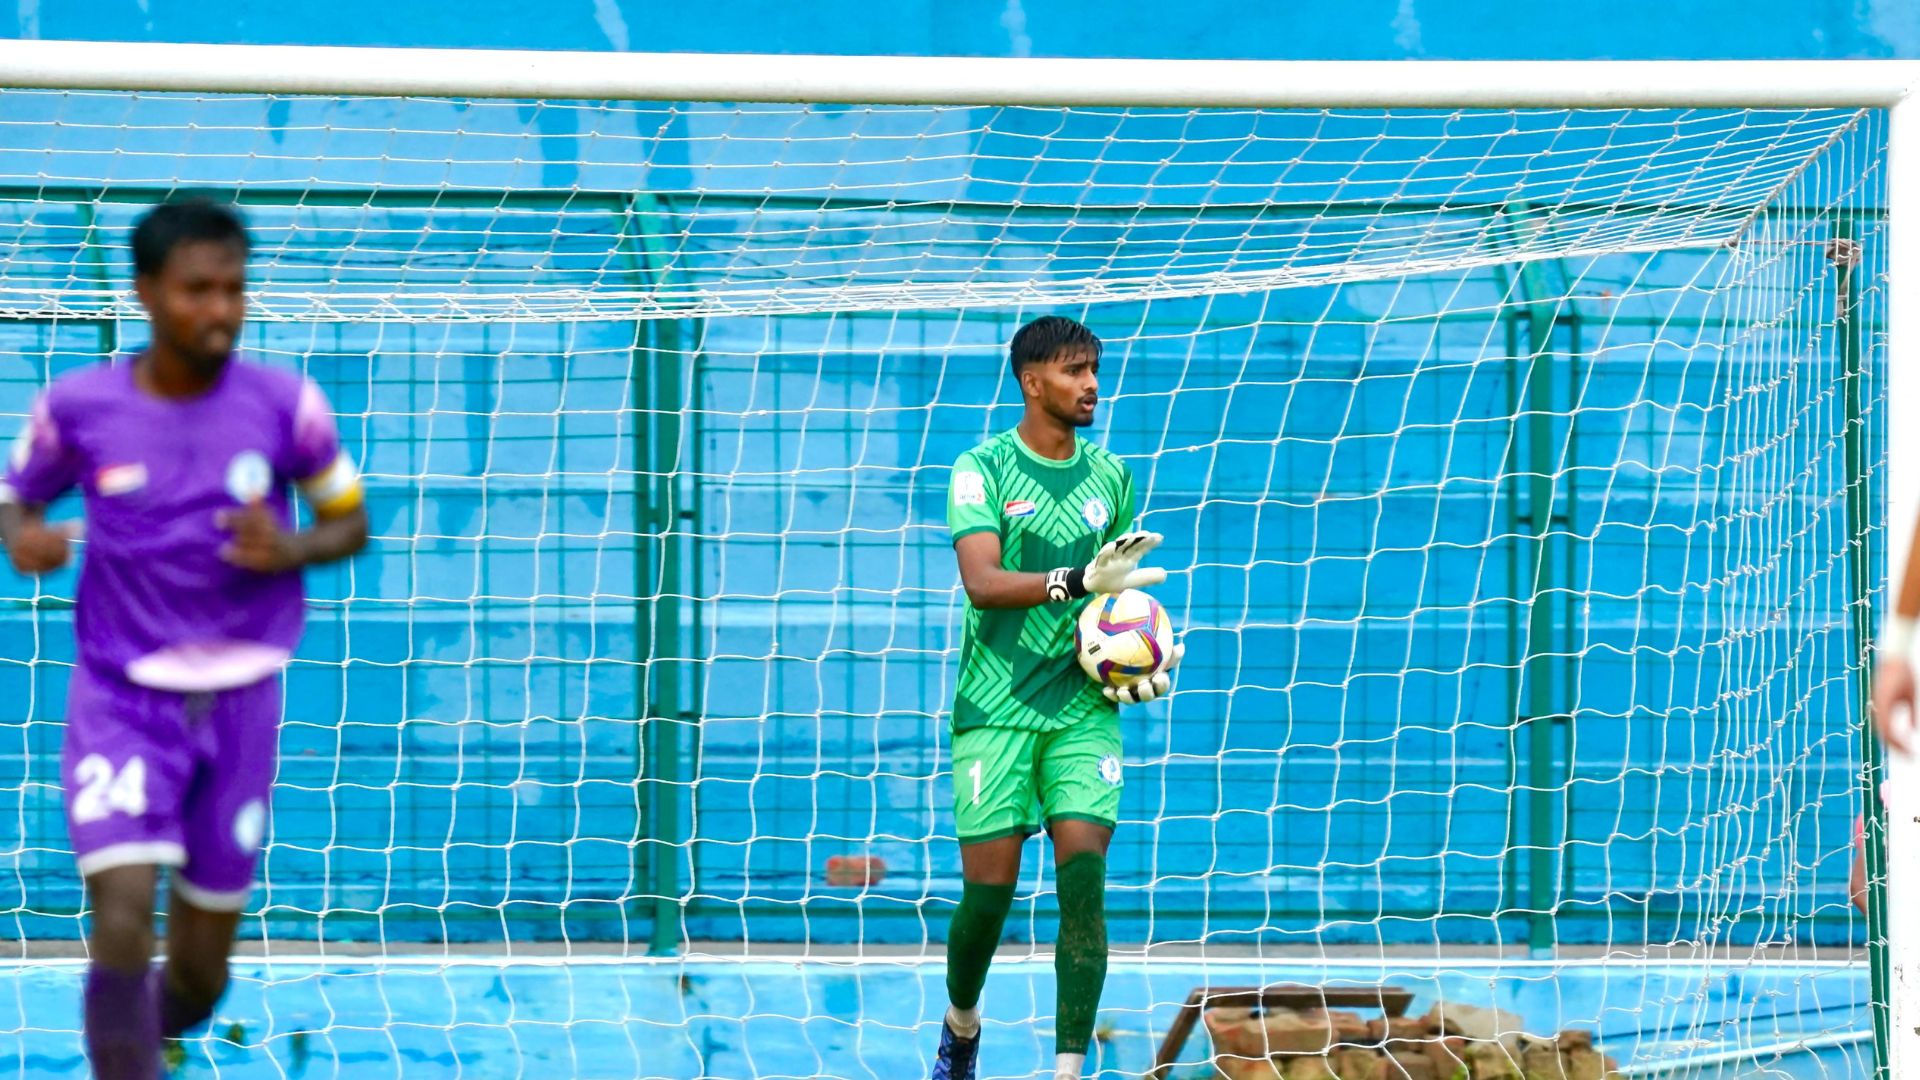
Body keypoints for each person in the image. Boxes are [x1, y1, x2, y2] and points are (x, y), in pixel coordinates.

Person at [0, 199, 369, 1078]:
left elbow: (349, 520)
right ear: (146, 292)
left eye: (233, 289)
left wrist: (292, 547)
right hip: (122, 695)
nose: (220, 310)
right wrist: (23, 538)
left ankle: (154, 1034)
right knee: (122, 913)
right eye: (197, 289)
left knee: (200, 978)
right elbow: (16, 499)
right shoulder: (80, 408)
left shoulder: (285, 406)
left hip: (242, 703)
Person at [930, 315, 1182, 1080]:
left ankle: (1069, 1071)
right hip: (996, 706)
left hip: (1080, 710)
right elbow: (983, 582)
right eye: (1075, 371)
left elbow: (1115, 600)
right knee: (989, 896)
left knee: (1083, 879)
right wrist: (1075, 582)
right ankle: (961, 1024)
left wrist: (1133, 664)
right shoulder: (981, 469)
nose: (1092, 385)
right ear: (1032, 382)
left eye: (1095, 369)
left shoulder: (1112, 476)